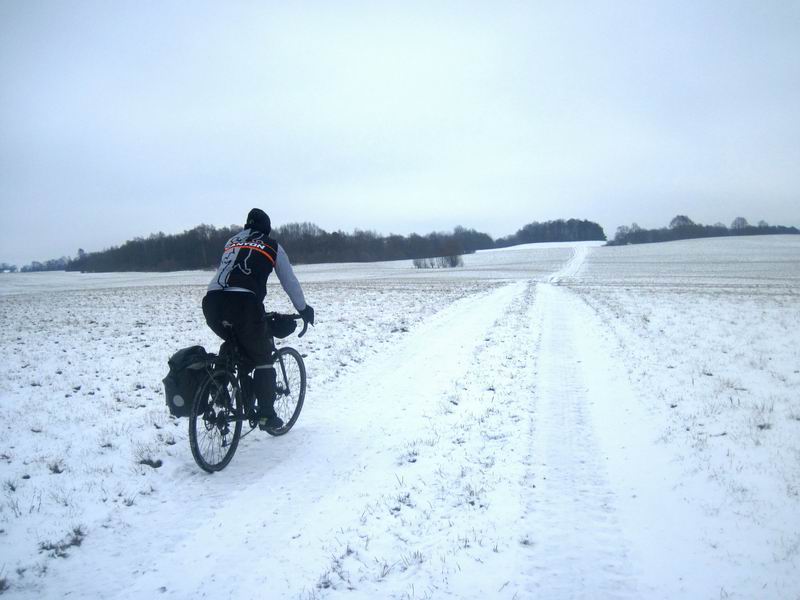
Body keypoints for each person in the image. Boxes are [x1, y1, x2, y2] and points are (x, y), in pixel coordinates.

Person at [202, 208, 314, 429]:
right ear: (267, 228)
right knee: (262, 355)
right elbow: (289, 281)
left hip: (212, 303)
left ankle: (219, 390)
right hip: (244, 304)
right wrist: (303, 309)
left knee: (235, 344)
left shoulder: (231, 241)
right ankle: (266, 415)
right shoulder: (272, 245)